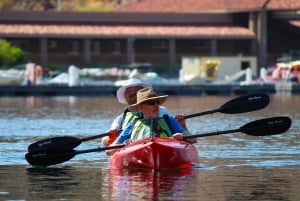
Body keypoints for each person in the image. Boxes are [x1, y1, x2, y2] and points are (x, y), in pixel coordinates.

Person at [106, 87, 196, 155]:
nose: (156, 106)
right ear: (141, 107)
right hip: (139, 154)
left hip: (166, 152)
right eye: (151, 103)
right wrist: (125, 145)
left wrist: (182, 136)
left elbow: (193, 139)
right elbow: (108, 151)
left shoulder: (169, 120)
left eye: (157, 102)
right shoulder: (132, 125)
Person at [102, 78, 176, 146]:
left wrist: (182, 127)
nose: (133, 92)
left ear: (144, 92)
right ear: (125, 96)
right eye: (129, 91)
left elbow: (181, 133)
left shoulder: (164, 111)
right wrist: (110, 138)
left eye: (136, 89)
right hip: (132, 148)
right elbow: (106, 143)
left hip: (164, 144)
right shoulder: (120, 119)